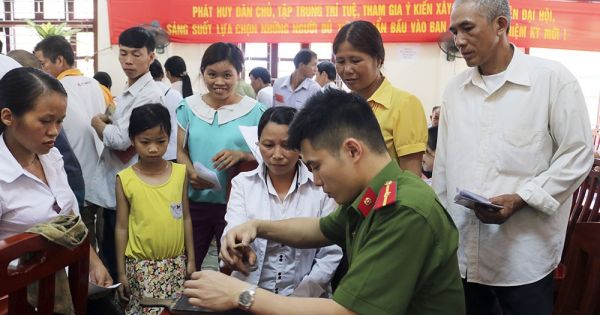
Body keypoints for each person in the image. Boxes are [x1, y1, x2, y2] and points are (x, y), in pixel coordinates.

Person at [183, 89, 465, 315]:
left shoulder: (403, 210)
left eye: (316, 166)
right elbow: (318, 229)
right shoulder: (374, 197)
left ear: (352, 150)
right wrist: (257, 226)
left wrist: (238, 294)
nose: (315, 180)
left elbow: (347, 310)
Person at [432, 1, 594, 314]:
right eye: (454, 31)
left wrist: (521, 198)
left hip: (523, 257)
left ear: (501, 25)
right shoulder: (455, 90)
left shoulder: (551, 80)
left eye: (467, 28)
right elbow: (443, 170)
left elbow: (577, 154)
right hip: (464, 254)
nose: (459, 40)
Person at [0, 67, 112, 287]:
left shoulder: (52, 157)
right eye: (45, 121)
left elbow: (71, 220)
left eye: (60, 121)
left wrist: (94, 263)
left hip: (69, 286)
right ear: (8, 117)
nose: (55, 131)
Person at [224, 106, 341, 297]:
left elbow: (330, 253)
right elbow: (233, 229)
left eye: (287, 145)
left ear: (302, 147)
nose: (277, 155)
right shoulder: (243, 184)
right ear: (257, 144)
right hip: (250, 296)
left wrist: (298, 300)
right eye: (268, 145)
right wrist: (234, 250)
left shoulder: (321, 187)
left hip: (305, 300)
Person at [176, 42, 265, 269]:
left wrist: (243, 155)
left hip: (236, 206)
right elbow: (180, 150)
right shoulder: (188, 107)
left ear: (239, 74)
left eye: (227, 75)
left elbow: (268, 156)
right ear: (202, 72)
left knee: (232, 267)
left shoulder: (255, 111)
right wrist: (191, 171)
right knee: (190, 265)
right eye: (211, 74)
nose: (219, 82)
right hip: (195, 203)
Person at [89, 26, 164, 280]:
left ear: (151, 57)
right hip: (116, 180)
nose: (128, 61)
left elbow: (122, 140)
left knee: (117, 248)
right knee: (110, 243)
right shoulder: (129, 88)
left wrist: (99, 125)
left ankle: (119, 296)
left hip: (128, 182)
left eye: (136, 54)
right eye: (123, 54)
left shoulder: (149, 94)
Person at [115, 104, 195, 315]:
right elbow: (121, 227)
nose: (153, 148)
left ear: (169, 138)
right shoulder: (125, 179)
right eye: (145, 142)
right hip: (140, 267)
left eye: (160, 142)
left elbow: (186, 217)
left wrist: (191, 260)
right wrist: (121, 272)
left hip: (176, 264)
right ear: (133, 140)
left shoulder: (180, 173)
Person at [34, 35, 106, 250]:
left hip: (73, 176)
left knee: (81, 240)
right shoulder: (96, 85)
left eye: (42, 63)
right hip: (100, 176)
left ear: (59, 60)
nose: (41, 70)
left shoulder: (55, 89)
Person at [333, 21, 427, 177]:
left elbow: (412, 179)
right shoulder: (339, 107)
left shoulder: (404, 105)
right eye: (340, 61)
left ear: (379, 60)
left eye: (355, 61)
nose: (347, 70)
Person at [149, 59, 182, 161]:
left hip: (150, 151)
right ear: (163, 74)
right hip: (175, 151)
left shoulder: (143, 95)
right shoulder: (175, 94)